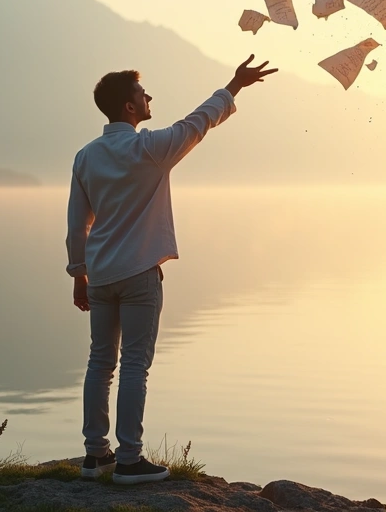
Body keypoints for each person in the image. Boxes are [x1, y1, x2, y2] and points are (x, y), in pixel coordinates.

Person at [65, 55, 277, 484]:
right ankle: (128, 459)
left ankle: (94, 456)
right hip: (140, 273)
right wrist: (232, 87)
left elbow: (77, 224)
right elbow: (198, 122)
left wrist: (79, 274)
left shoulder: (85, 157)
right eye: (142, 94)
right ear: (129, 107)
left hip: (101, 274)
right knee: (134, 366)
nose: (148, 98)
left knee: (100, 362)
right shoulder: (151, 149)